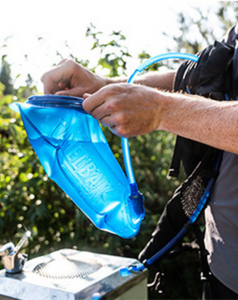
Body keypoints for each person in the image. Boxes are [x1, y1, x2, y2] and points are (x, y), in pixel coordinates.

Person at [41, 24, 238, 299]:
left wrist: (161, 110)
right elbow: (205, 79)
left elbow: (170, 102)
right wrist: (106, 87)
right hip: (221, 270)